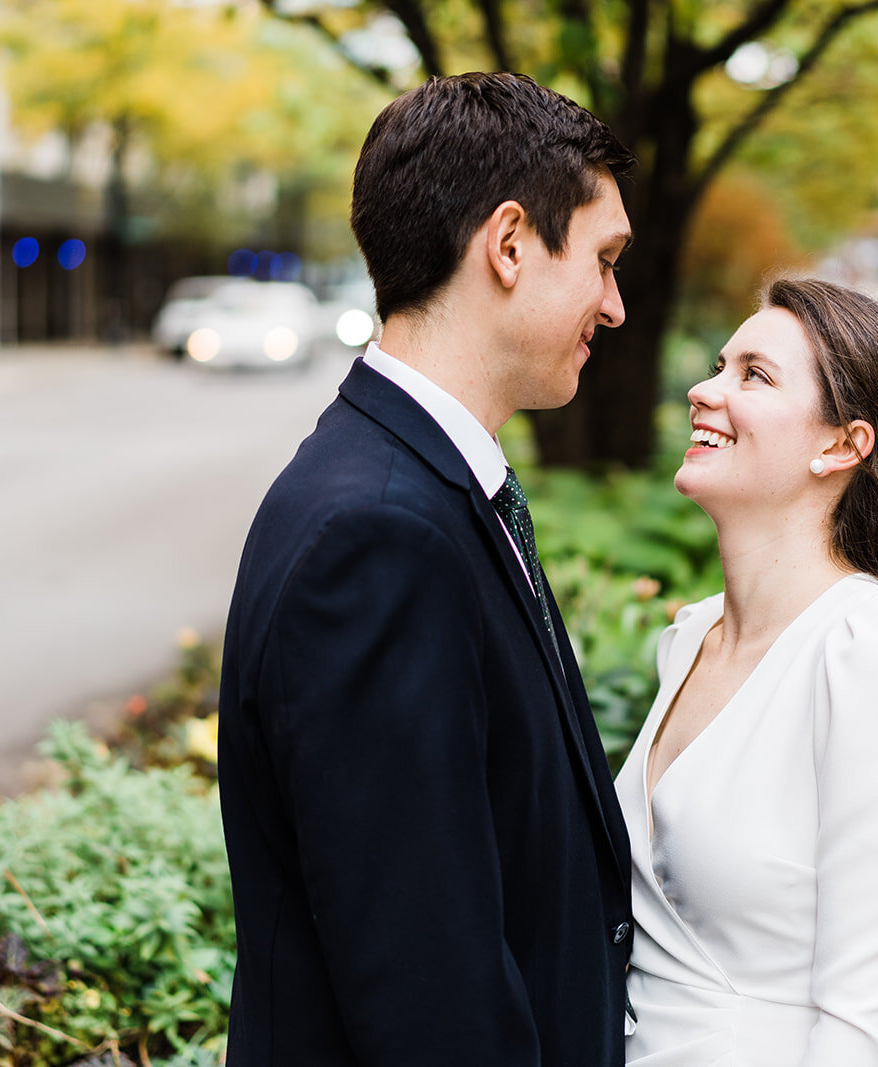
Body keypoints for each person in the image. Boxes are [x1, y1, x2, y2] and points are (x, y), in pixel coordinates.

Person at [217, 72, 636, 1065]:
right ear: (507, 245)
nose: (615, 307)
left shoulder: (418, 487)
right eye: (604, 260)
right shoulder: (377, 534)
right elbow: (429, 992)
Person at [616, 278, 878, 1065]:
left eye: (754, 374)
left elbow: (862, 1025)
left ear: (842, 445)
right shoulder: (691, 635)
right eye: (719, 364)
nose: (703, 390)